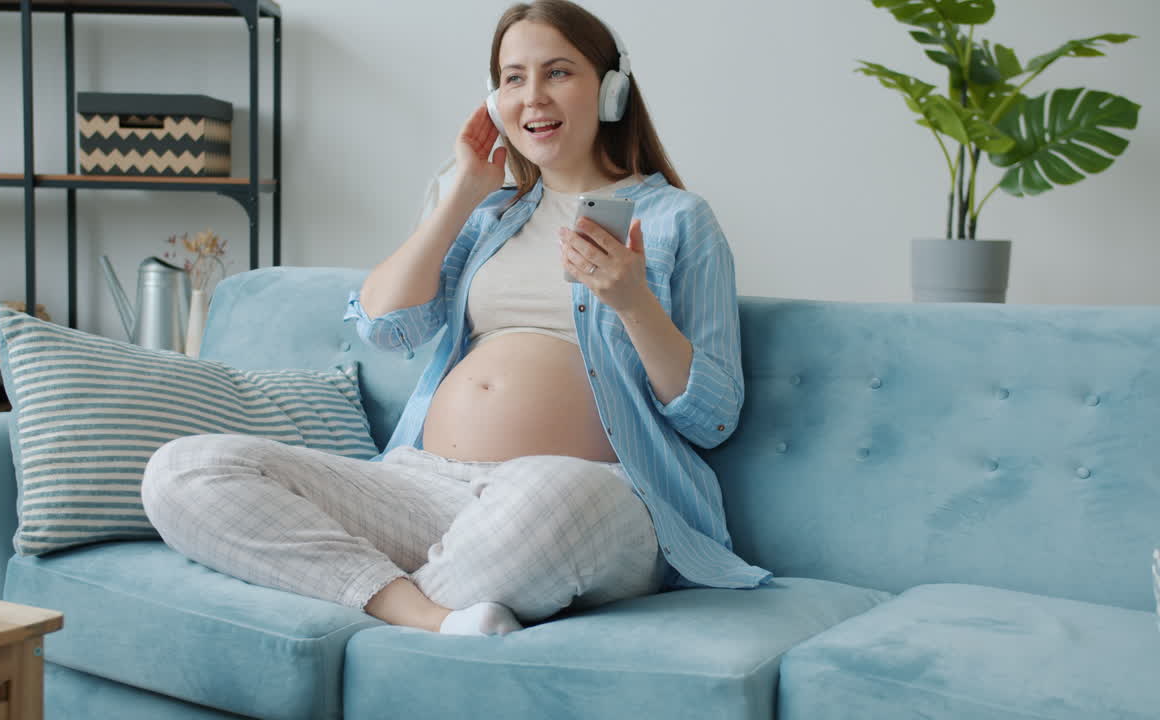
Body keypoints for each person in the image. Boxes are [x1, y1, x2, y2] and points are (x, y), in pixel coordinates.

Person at [141, 0, 770, 638]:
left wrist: (633, 302)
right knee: (184, 471)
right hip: (425, 487)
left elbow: (712, 417)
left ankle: (381, 609)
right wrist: (463, 191)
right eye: (513, 78)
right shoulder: (491, 216)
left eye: (558, 73)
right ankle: (430, 617)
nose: (533, 97)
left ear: (611, 90)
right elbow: (385, 327)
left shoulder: (678, 221)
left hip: (592, 497)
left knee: (548, 495)